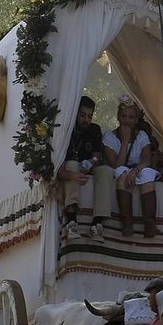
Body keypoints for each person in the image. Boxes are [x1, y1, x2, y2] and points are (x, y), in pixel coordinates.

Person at [57, 95, 114, 240]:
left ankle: (97, 224)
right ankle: (71, 221)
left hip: (87, 166)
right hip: (69, 168)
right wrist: (72, 175)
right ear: (75, 113)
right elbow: (57, 165)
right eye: (82, 115)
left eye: (89, 116)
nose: (86, 120)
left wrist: (91, 162)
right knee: (72, 164)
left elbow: (97, 154)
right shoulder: (66, 128)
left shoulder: (94, 129)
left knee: (106, 170)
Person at [104, 97, 161, 237]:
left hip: (137, 168)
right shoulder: (110, 136)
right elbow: (117, 165)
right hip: (121, 169)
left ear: (136, 120)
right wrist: (124, 141)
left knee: (147, 174)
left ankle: (149, 224)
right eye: (123, 116)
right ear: (118, 117)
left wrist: (135, 171)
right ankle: (127, 223)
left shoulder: (141, 136)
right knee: (122, 173)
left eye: (131, 117)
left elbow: (147, 160)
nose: (127, 120)